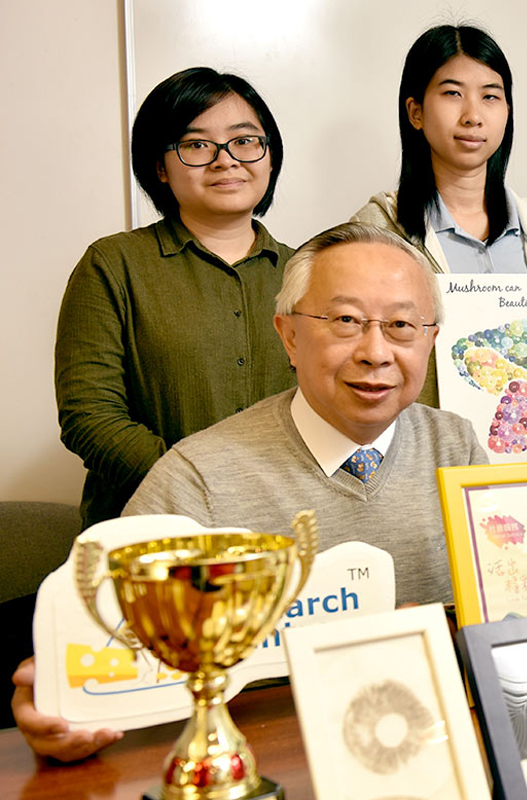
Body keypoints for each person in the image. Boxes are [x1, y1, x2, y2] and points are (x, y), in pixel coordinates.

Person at [14, 222, 487, 761]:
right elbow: (94, 657)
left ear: (430, 340)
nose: (375, 352)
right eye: (346, 321)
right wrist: (60, 705)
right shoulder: (198, 477)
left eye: (402, 324)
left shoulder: (457, 447)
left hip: (427, 749)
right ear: (288, 335)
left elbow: (506, 616)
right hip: (267, 759)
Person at [56, 67, 296, 529]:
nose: (226, 160)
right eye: (197, 145)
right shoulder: (112, 264)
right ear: (160, 167)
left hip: (284, 527)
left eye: (245, 141)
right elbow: (89, 416)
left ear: (270, 157)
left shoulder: (311, 272)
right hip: (150, 531)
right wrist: (196, 487)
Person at [352, 24, 527, 407]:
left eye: (491, 96)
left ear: (507, 111)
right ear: (416, 112)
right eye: (453, 94)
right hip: (423, 454)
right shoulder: (378, 230)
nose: (473, 116)